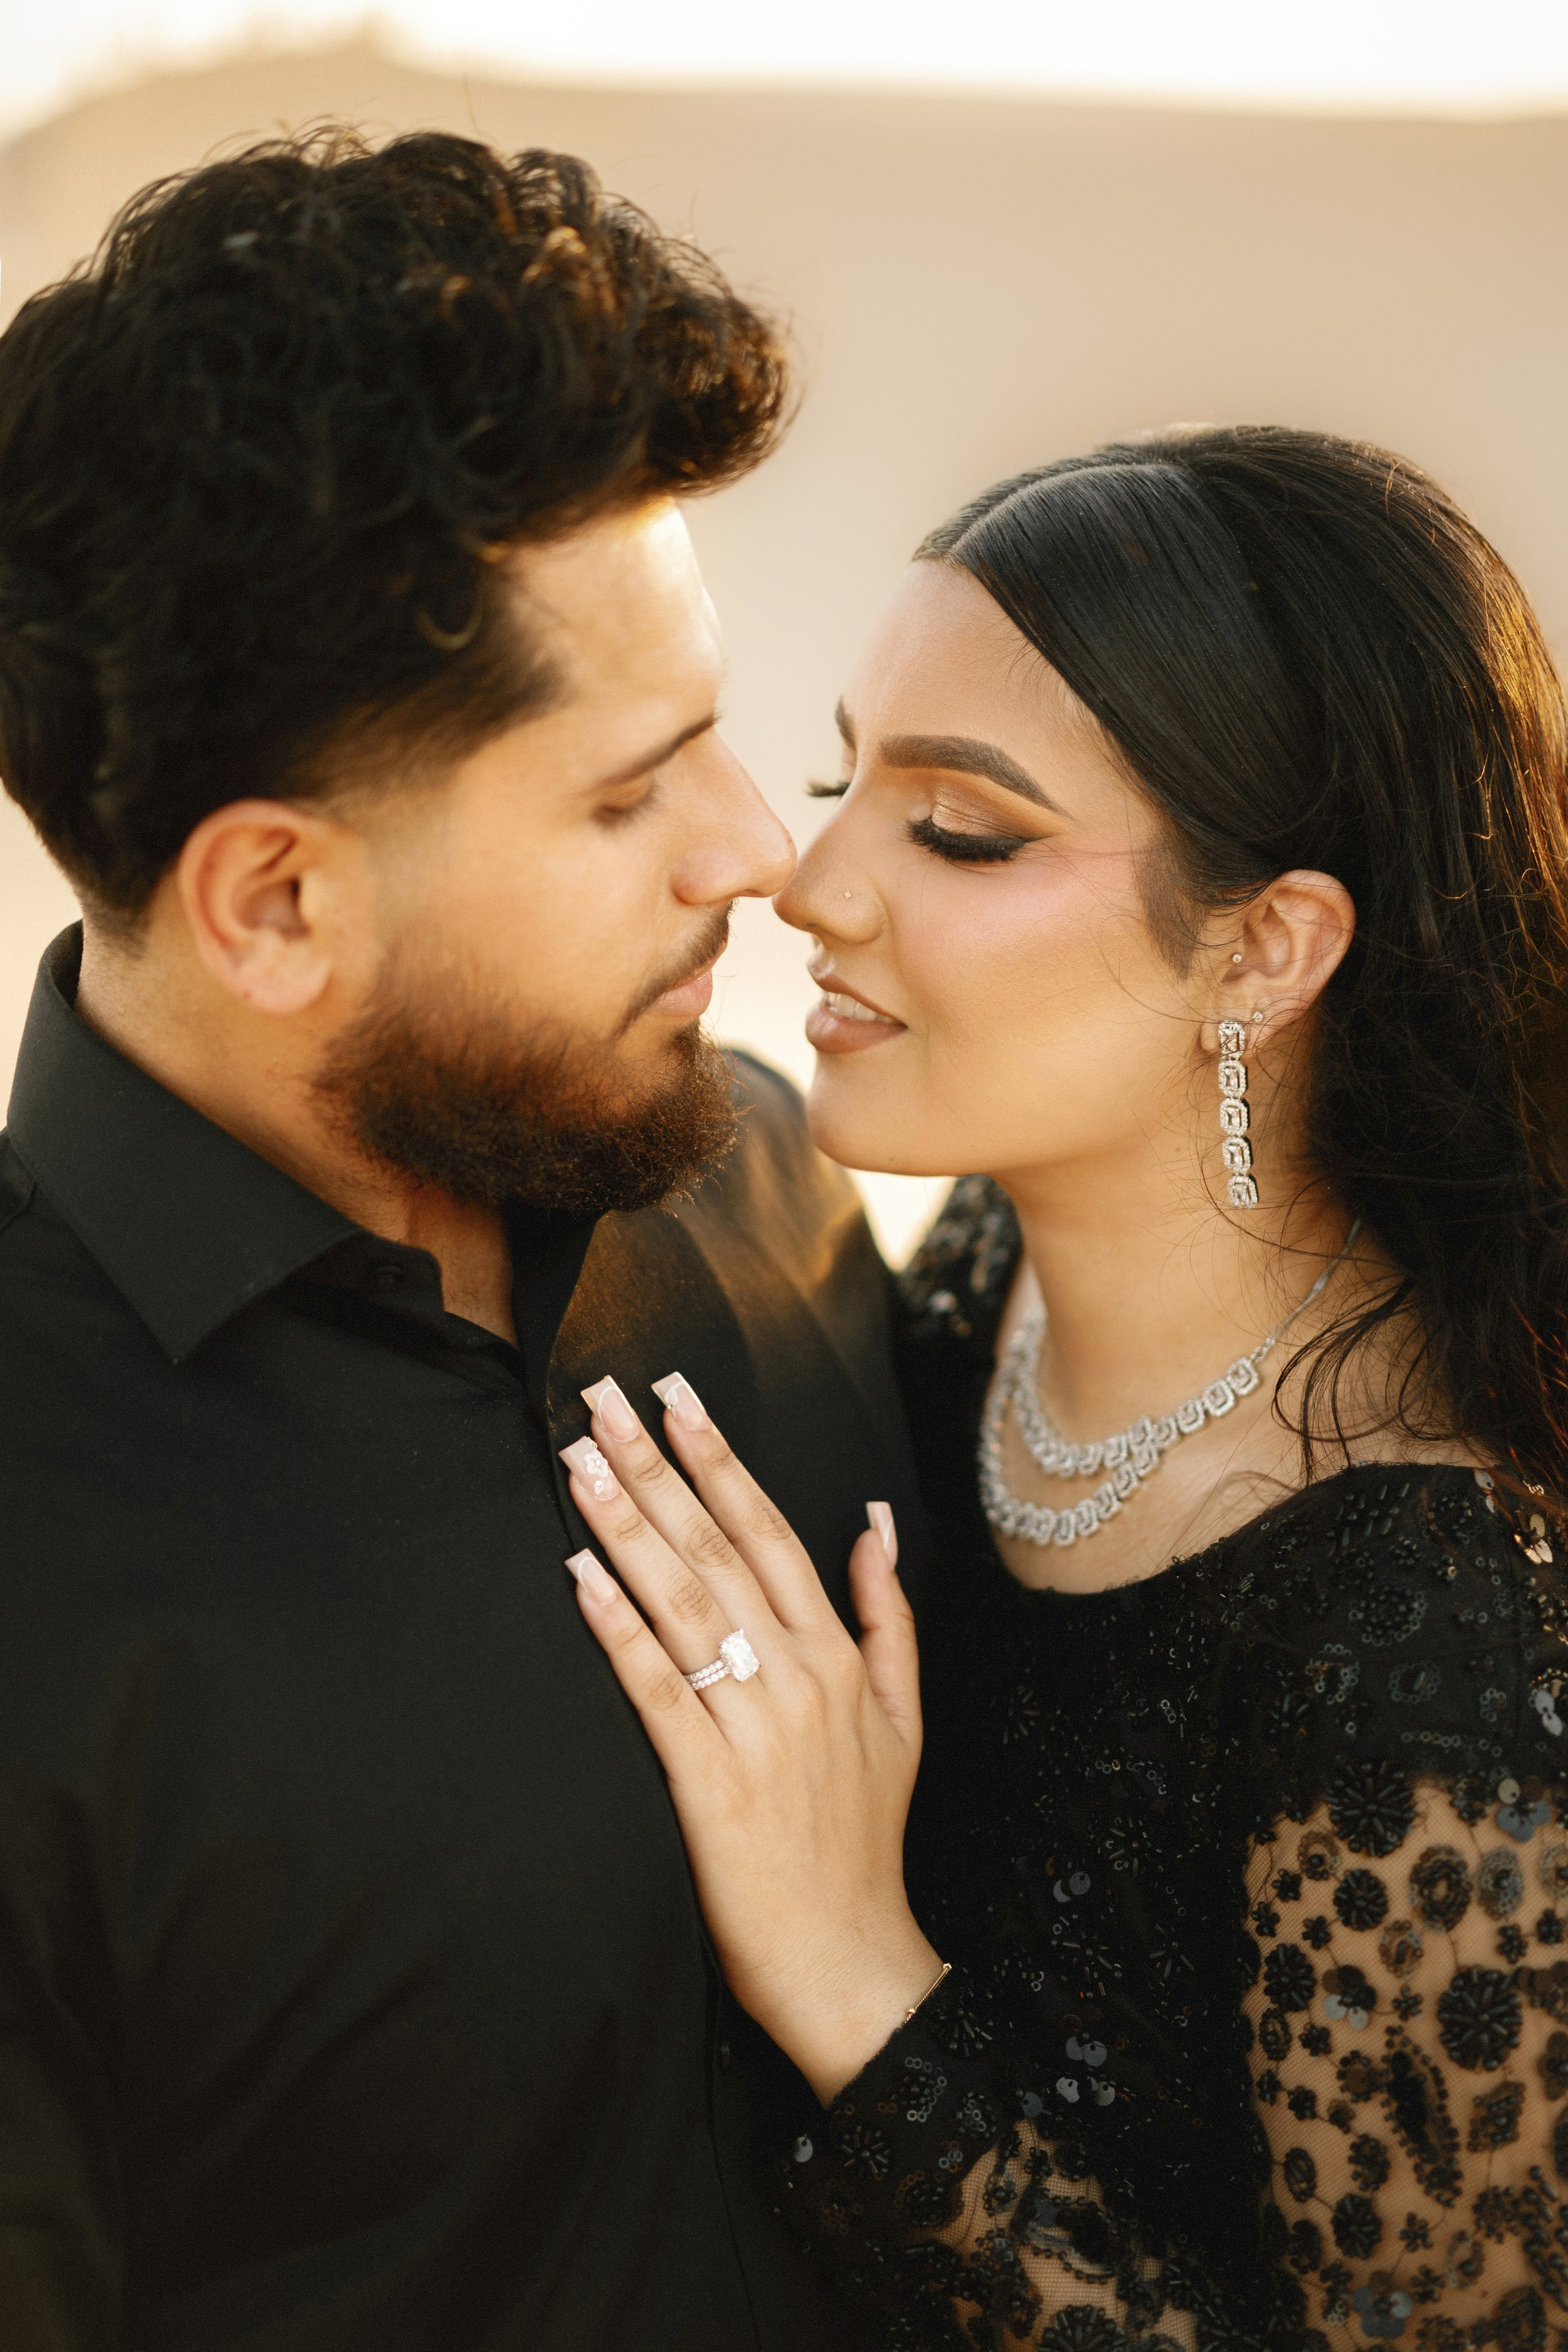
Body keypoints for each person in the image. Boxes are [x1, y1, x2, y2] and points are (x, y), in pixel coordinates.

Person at [0, 129, 927, 2350]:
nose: (753, 852)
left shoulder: (767, 1184)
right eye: (627, 793)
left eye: (720, 734)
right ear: (274, 903)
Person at [563, 426, 1568, 2346]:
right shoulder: (976, 1280)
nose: (810, 883)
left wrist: (848, 1970)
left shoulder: (1427, 1640)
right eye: (843, 780)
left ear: (1267, 950)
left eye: (960, 831)